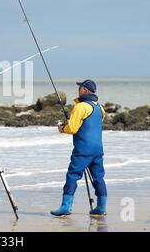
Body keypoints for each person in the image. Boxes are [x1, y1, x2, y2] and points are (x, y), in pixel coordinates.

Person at [51, 79, 107, 216]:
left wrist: (61, 128)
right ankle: (101, 207)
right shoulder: (100, 108)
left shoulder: (80, 107)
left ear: (85, 90)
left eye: (80, 88)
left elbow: (73, 128)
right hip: (98, 149)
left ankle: (65, 206)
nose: (78, 90)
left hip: (83, 149)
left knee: (73, 175)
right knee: (98, 177)